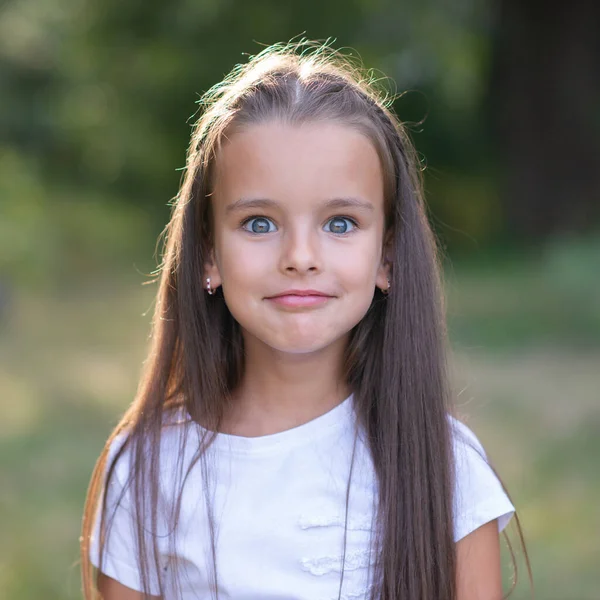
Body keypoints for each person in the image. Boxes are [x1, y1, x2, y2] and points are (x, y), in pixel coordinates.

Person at [81, 41, 526, 600]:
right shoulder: (148, 469)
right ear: (209, 255)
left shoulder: (443, 468)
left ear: (386, 257)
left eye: (339, 224)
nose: (300, 256)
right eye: (259, 223)